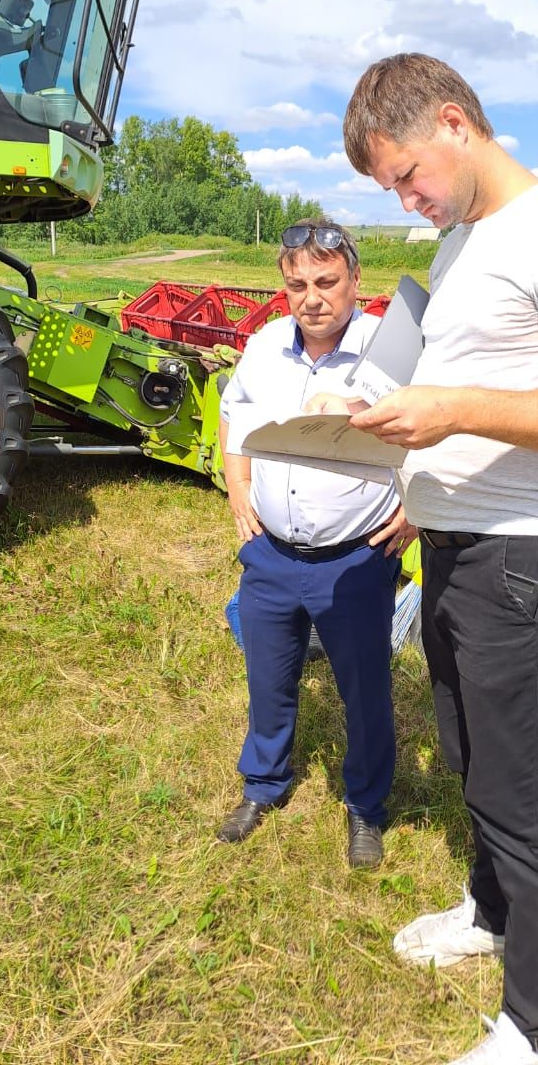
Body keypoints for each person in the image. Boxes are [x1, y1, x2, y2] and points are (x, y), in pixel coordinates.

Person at [329, 55, 538, 1062]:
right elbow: (469, 383)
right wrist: (413, 474)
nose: (406, 200)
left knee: (527, 791)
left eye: (407, 173)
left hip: (525, 558)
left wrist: (447, 409)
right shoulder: (463, 241)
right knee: (473, 761)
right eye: (390, 188)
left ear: (455, 123)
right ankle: (494, 911)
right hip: (456, 545)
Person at [217, 218, 416, 868]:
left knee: (364, 692)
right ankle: (265, 786)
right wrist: (237, 485)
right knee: (269, 680)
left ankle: (365, 808)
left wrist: (417, 507)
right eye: (297, 283)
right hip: (272, 556)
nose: (312, 297)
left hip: (356, 559)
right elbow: (234, 415)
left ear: (356, 280)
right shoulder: (266, 346)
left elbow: (436, 435)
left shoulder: (392, 351)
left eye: (327, 281)